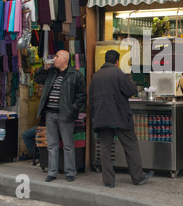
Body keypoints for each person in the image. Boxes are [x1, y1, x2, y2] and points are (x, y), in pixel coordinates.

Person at [89, 50, 153, 188]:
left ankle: (108, 181)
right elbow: (131, 90)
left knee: (105, 149)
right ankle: (138, 176)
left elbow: (91, 98)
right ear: (117, 61)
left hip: (101, 117)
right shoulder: (119, 74)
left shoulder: (96, 76)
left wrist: (95, 117)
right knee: (131, 146)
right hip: (119, 116)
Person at [34, 50, 86, 182]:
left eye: (56, 56)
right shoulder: (51, 73)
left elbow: (81, 96)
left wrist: (72, 109)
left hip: (65, 115)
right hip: (50, 113)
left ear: (64, 59)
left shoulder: (75, 75)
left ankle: (70, 172)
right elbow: (38, 79)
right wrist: (44, 69)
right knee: (52, 145)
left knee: (68, 145)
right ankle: (52, 172)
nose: (54, 58)